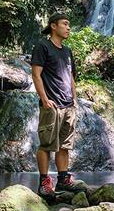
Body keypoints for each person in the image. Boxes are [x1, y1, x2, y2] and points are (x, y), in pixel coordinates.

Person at [30, 12, 83, 200]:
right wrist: (44, 99)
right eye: (65, 24)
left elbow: (71, 78)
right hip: (51, 105)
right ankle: (44, 182)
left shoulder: (67, 51)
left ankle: (63, 179)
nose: (68, 28)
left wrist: (74, 100)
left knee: (64, 146)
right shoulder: (43, 46)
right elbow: (36, 74)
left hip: (68, 105)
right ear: (54, 26)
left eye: (69, 25)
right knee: (46, 144)